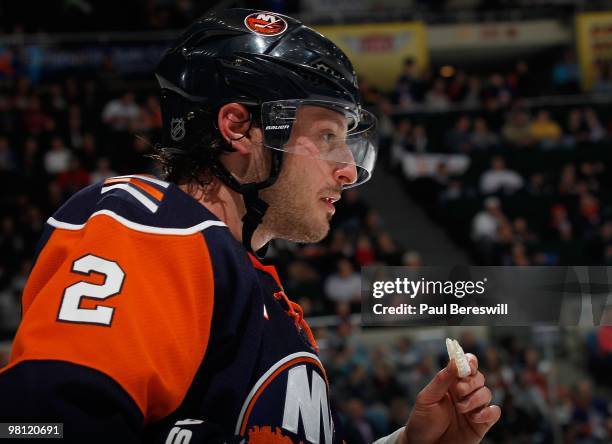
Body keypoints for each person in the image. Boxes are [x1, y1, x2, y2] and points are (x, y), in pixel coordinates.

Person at [0, 9, 501, 444]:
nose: (348, 170)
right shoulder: (152, 225)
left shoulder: (266, 296)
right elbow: (39, 425)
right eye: (327, 135)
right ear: (238, 128)